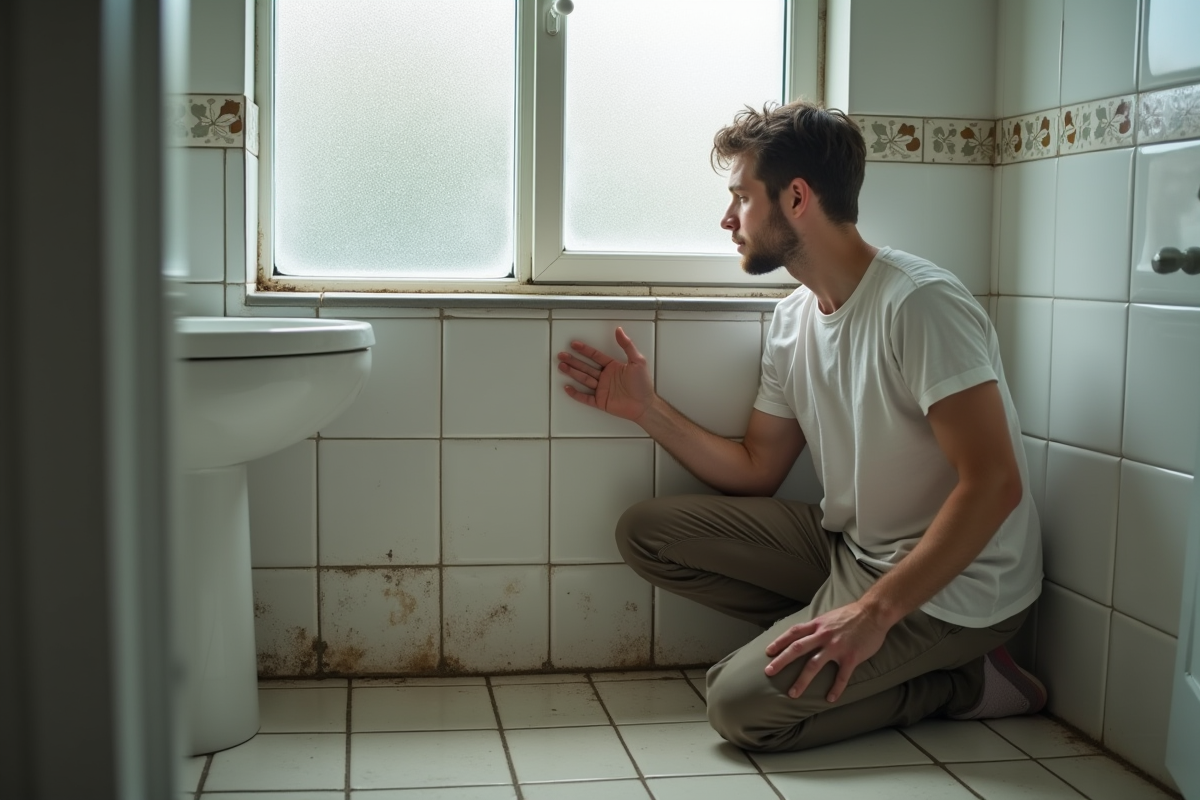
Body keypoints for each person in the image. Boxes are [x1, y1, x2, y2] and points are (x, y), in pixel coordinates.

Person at [554, 100, 1045, 752]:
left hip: (958, 588)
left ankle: (967, 683)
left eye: (741, 199)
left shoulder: (920, 304)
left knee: (738, 707)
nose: (728, 220)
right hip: (855, 552)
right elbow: (759, 468)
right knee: (648, 534)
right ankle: (837, 640)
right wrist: (647, 410)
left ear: (796, 196)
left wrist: (873, 614)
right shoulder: (793, 319)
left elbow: (994, 484)